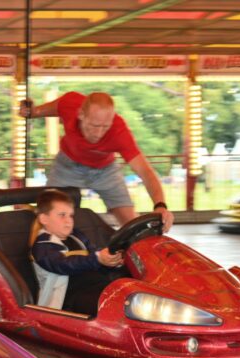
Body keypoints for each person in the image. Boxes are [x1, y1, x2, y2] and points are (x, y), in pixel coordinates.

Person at [20, 91, 174, 232]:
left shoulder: (119, 132)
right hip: (67, 166)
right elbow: (34, 112)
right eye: (94, 125)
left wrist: (160, 206)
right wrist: (29, 110)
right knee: (49, 217)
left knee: (132, 227)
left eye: (105, 127)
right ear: (81, 114)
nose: (99, 133)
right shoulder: (69, 103)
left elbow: (145, 172)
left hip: (105, 170)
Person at [31, 189, 125, 317]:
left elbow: (94, 256)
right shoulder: (43, 245)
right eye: (62, 215)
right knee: (116, 305)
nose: (68, 220)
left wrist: (111, 261)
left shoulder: (77, 237)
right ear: (44, 219)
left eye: (71, 215)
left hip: (96, 287)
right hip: (69, 299)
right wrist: (97, 258)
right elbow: (63, 265)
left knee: (129, 293)